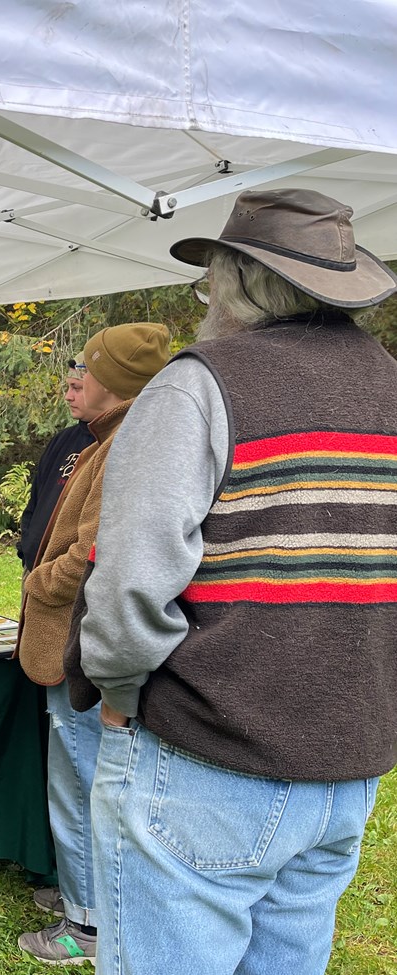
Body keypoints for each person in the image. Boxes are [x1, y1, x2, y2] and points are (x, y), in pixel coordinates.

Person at [69, 188, 397, 975]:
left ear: (240, 279)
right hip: (347, 767)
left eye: (211, 277)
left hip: (205, 758)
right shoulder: (391, 385)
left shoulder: (202, 382)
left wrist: (116, 694)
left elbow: (130, 585)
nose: (206, 296)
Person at [13, 322, 170, 966]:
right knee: (84, 778)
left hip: (83, 642)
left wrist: (40, 583)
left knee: (80, 783)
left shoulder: (125, 444)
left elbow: (95, 549)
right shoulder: (113, 437)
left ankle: (87, 923)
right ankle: (88, 895)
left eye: (88, 366)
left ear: (116, 380)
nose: (77, 376)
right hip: (84, 637)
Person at [15, 365, 95, 572]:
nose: (68, 397)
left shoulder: (113, 444)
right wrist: (27, 550)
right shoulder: (63, 440)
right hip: (35, 569)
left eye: (77, 388)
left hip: (69, 580)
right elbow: (36, 500)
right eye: (68, 387)